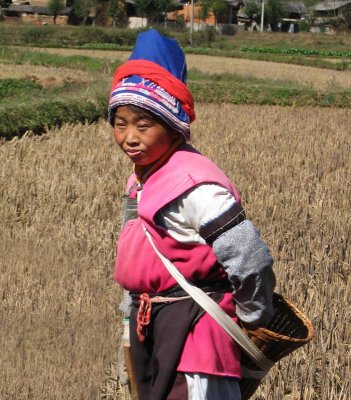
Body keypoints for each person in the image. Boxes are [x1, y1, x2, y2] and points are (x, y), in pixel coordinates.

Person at [109, 29, 276, 400]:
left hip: (195, 337)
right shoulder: (142, 178)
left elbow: (248, 255)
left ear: (172, 128)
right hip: (152, 326)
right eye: (120, 124)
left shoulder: (195, 184)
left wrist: (252, 316)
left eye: (144, 125)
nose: (129, 137)